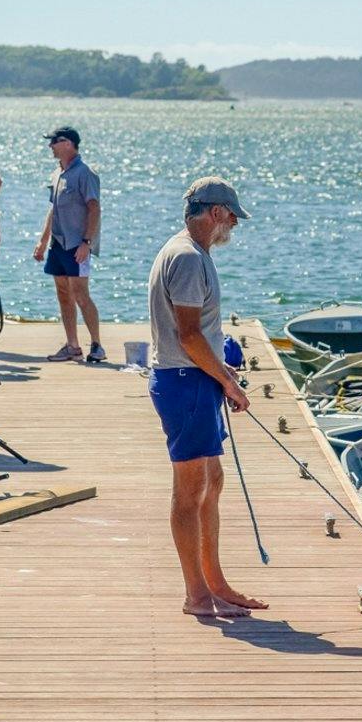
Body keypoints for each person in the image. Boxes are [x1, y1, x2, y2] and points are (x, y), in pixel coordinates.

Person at [146, 177, 264, 620]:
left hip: (196, 379)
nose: (234, 222)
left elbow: (199, 337)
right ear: (215, 212)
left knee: (212, 482)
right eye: (232, 215)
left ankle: (215, 584)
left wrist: (223, 373)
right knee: (190, 491)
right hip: (184, 382)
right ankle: (196, 596)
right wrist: (227, 383)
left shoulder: (194, 253)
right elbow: (189, 335)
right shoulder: (187, 258)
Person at [35, 126, 103, 362]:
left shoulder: (85, 173)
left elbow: (94, 208)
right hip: (58, 244)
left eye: (54, 141)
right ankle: (72, 346)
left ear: (68, 143)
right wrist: (43, 241)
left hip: (77, 244)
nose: (50, 146)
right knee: (63, 294)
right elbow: (53, 209)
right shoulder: (57, 174)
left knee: (81, 295)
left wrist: (86, 242)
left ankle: (97, 345)